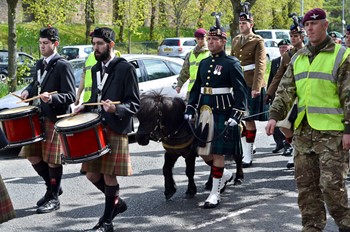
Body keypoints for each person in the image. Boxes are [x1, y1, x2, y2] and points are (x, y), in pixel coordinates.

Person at [265, 8, 350, 231]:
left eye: (314, 24)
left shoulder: (342, 56)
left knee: (332, 187)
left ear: (325, 25)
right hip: (304, 134)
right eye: (306, 25)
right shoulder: (298, 58)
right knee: (307, 189)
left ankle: (346, 224)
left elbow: (348, 96)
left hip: (333, 134)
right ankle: (312, 227)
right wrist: (274, 116)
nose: (310, 28)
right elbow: (285, 91)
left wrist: (349, 130)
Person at [74, 27, 140, 232]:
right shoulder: (95, 68)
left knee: (109, 176)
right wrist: (85, 106)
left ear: (111, 45)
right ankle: (117, 204)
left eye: (100, 44)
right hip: (97, 127)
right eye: (94, 44)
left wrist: (116, 108)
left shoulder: (125, 68)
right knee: (92, 175)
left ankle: (106, 222)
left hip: (116, 127)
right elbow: (96, 97)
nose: (96, 48)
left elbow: (134, 104)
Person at [185, 13, 248, 209]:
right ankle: (225, 175)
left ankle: (215, 193)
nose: (210, 42)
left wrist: (236, 115)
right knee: (203, 152)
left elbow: (240, 90)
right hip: (205, 111)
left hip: (223, 111)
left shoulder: (231, 63)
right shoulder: (204, 63)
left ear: (223, 41)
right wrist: (190, 106)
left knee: (218, 154)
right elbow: (196, 87)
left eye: (214, 39)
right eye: (209, 39)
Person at [20, 26, 76, 214]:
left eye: (45, 43)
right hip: (38, 117)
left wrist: (52, 98)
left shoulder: (63, 65)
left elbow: (70, 96)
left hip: (55, 117)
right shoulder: (39, 64)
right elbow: (37, 83)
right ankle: (52, 187)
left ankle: (53, 198)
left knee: (53, 160)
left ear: (55, 43)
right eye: (40, 43)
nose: (42, 46)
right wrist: (29, 90)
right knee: (32, 154)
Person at [231, 4, 268, 167]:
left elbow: (261, 64)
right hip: (238, 83)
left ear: (251, 24)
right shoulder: (236, 40)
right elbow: (232, 62)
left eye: (244, 23)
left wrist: (256, 87)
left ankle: (248, 154)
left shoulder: (257, 41)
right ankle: (247, 147)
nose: (241, 26)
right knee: (240, 118)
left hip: (250, 82)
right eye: (240, 23)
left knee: (249, 118)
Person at [266, 19, 306, 167]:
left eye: (296, 35)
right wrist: (269, 93)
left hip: (304, 95)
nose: (293, 38)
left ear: (302, 36)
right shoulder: (287, 55)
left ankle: (301, 153)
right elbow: (278, 75)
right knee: (284, 126)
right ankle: (296, 149)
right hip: (290, 95)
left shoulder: (309, 52)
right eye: (291, 35)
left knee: (301, 126)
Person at [266, 38, 292, 154]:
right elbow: (273, 78)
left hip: (288, 93)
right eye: (281, 48)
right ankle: (279, 143)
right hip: (277, 94)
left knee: (287, 122)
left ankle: (288, 145)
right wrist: (269, 93)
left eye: (285, 47)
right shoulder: (275, 61)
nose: (283, 50)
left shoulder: (292, 58)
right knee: (274, 120)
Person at [175, 28, 210, 100]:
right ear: (195, 39)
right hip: (192, 90)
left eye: (202, 38)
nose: (200, 40)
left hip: (205, 90)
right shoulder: (190, 54)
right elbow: (185, 71)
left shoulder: (210, 53)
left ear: (206, 38)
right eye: (198, 38)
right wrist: (179, 84)